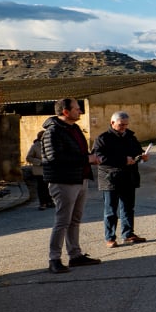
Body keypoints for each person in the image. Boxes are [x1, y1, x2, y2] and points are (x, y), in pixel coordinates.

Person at [41, 97, 103, 273]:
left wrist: (92, 158)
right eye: (77, 108)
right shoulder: (53, 132)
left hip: (79, 179)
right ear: (65, 111)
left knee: (74, 220)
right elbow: (55, 158)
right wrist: (86, 159)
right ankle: (54, 259)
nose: (80, 111)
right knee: (62, 221)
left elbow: (79, 153)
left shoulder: (74, 129)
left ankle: (75, 255)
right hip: (63, 182)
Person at [92, 111, 149, 248]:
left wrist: (142, 156)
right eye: (121, 125)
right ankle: (110, 238)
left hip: (129, 178)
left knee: (128, 208)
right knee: (111, 211)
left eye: (126, 125)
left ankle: (128, 234)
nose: (124, 127)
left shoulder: (130, 136)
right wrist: (123, 160)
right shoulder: (102, 138)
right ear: (112, 123)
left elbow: (137, 151)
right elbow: (98, 158)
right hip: (110, 179)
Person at [25, 130, 53, 209]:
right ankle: (42, 203)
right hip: (39, 170)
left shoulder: (51, 144)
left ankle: (49, 201)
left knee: (49, 186)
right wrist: (39, 162)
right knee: (41, 187)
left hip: (49, 170)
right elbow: (29, 158)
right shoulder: (35, 146)